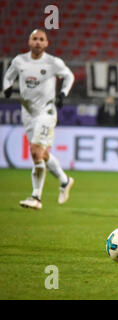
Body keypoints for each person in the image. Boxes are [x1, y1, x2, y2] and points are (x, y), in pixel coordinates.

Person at [2, 29, 75, 209]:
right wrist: (7, 87)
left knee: (35, 150)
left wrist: (63, 94)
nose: (38, 42)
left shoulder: (52, 62)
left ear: (46, 43)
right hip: (28, 113)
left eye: (41, 39)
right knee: (41, 154)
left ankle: (36, 197)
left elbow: (69, 76)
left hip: (46, 111)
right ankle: (64, 181)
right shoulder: (20, 61)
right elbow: (8, 76)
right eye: (35, 39)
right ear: (29, 41)